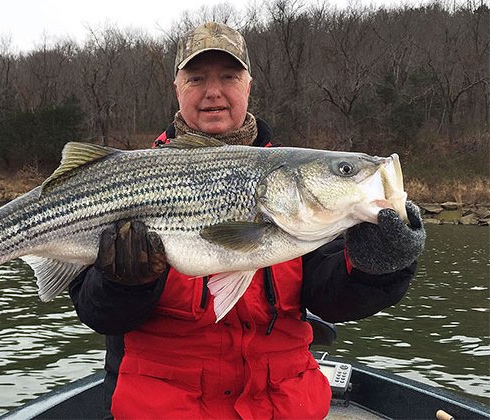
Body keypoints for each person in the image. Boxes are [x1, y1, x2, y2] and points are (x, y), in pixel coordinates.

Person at [69, 22, 426, 419]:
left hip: (282, 407)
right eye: (196, 78)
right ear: (177, 88)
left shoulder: (308, 203)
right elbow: (97, 314)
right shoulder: (129, 178)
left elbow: (335, 300)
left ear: (249, 85)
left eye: (229, 76)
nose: (213, 91)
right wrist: (124, 283)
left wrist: (376, 267)